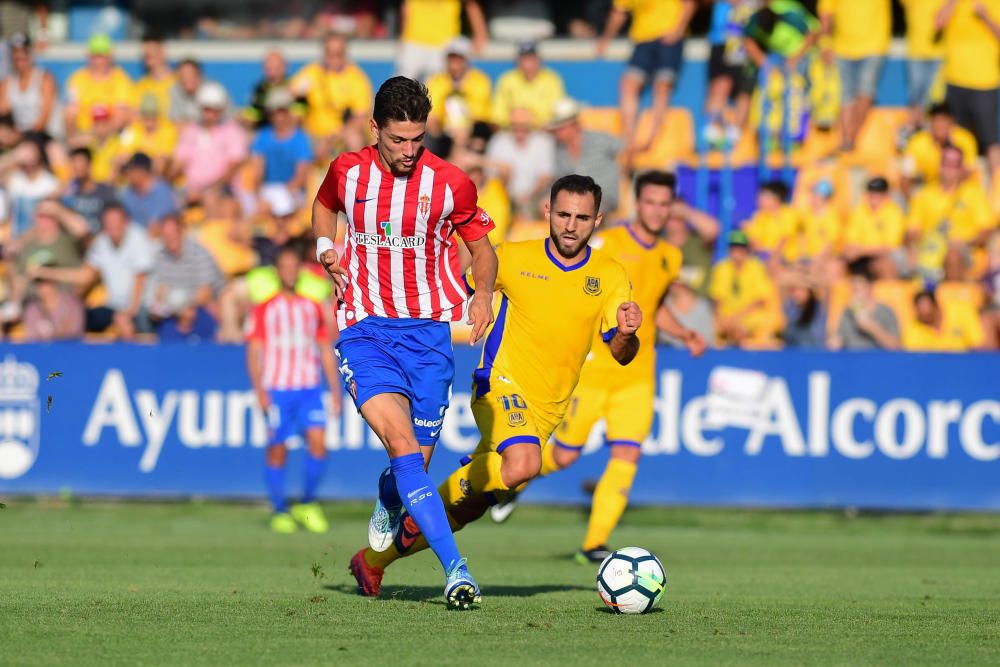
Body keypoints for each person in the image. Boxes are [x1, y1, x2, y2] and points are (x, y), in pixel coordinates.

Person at [349, 174, 641, 594]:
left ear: (598, 220)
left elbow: (620, 353)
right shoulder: (511, 257)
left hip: (548, 409)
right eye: (562, 214)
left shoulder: (611, 275)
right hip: (498, 385)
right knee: (524, 465)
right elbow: (452, 289)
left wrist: (629, 333)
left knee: (470, 504)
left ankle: (373, 561)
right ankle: (436, 497)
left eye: (581, 217)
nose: (570, 225)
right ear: (547, 212)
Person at [311, 76, 498, 609]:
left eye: (417, 139)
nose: (408, 151)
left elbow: (482, 249)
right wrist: (328, 248)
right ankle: (457, 572)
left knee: (411, 465)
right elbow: (324, 208)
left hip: (430, 338)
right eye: (397, 140)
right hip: (364, 328)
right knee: (402, 450)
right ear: (376, 130)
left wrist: (482, 293)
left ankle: (388, 497)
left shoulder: (451, 183)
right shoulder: (347, 172)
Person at [487, 171, 706, 562]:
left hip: (637, 374)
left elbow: (652, 310)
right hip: (592, 370)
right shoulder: (607, 245)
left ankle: (594, 544)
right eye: (650, 202)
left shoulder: (669, 256)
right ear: (637, 203)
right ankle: (513, 484)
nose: (656, 210)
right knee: (567, 455)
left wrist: (686, 334)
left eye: (664, 203)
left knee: (627, 454)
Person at [246, 245, 341, 532]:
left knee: (318, 443)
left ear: (298, 271)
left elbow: (325, 349)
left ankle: (307, 503)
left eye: (293, 266)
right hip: (277, 388)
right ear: (277, 271)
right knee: (277, 449)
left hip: (309, 389)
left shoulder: (311, 307)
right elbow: (254, 352)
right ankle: (279, 509)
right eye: (283, 266)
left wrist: (335, 391)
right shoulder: (265, 309)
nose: (289, 271)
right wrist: (260, 391)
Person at [31, 203, 155, 339]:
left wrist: (129, 312)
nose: (112, 226)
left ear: (125, 222)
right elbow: (85, 275)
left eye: (116, 221)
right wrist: (48, 273)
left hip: (141, 305)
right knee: (83, 319)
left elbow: (140, 280)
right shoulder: (102, 242)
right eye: (108, 222)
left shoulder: (138, 238)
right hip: (113, 306)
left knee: (140, 323)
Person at [597, 0, 697, 161]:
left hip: (669, 38)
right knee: (628, 84)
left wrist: (678, 30)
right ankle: (629, 140)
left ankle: (653, 140)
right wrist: (605, 39)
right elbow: (619, 12)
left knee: (662, 86)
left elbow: (689, 4)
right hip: (642, 39)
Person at [907, 144, 994, 281]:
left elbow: (986, 230)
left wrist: (965, 242)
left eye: (954, 164)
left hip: (965, 251)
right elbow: (913, 230)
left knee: (952, 256)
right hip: (931, 250)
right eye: (946, 162)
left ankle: (952, 299)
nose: (949, 168)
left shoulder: (973, 192)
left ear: (961, 168)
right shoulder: (925, 194)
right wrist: (912, 248)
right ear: (940, 165)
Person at [936, 0, 1000, 172]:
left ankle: (996, 190)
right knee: (955, 140)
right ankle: (955, 187)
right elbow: (937, 24)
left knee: (990, 140)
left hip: (984, 80)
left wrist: (985, 16)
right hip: (954, 79)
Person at [819, 0, 890, 150]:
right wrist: (825, 43)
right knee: (846, 97)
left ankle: (850, 139)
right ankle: (846, 141)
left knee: (865, 93)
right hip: (842, 48)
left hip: (874, 46)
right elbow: (826, 13)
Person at [145, 213, 223, 340]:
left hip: (200, 309)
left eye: (173, 234)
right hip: (172, 312)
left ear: (181, 232)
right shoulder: (159, 257)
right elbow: (159, 292)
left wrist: (184, 306)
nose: (170, 239)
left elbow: (206, 293)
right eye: (166, 235)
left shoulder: (199, 253)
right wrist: (160, 307)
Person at [289, 34, 372, 152]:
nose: (334, 57)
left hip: (342, 135)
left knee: (354, 137)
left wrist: (330, 138)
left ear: (345, 54)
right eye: (330, 53)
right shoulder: (312, 72)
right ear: (324, 54)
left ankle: (356, 168)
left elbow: (360, 118)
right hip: (312, 135)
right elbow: (291, 92)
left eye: (338, 53)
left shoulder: (356, 78)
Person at [171, 82, 248, 203]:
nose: (211, 114)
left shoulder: (233, 131)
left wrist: (205, 190)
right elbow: (179, 162)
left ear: (222, 110)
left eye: (215, 110)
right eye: (207, 109)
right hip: (191, 189)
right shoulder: (190, 131)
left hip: (223, 189)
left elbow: (231, 169)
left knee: (211, 198)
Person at [709, 229, 784, 347]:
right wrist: (720, 317)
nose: (737, 252)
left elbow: (760, 301)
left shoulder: (756, 267)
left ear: (746, 250)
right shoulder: (722, 268)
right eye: (734, 248)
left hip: (748, 315)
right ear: (729, 250)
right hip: (728, 316)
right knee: (711, 326)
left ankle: (745, 343)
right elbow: (717, 298)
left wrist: (735, 317)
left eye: (741, 248)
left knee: (761, 323)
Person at [548, 97, 622, 214]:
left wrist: (624, 174)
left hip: (603, 198)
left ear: (574, 125)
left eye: (560, 128)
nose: (556, 133)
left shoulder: (600, 139)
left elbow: (627, 150)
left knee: (585, 212)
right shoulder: (559, 152)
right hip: (574, 202)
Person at [250, 87, 312, 216]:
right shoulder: (262, 137)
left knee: (283, 206)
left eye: (282, 111)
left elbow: (301, 177)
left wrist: (283, 193)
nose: (279, 116)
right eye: (274, 112)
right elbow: (257, 174)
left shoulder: (301, 139)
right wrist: (259, 196)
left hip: (292, 191)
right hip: (268, 190)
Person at [485, 107, 553, 221]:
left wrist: (528, 197)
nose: (520, 133)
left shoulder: (543, 142)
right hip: (504, 196)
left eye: (524, 128)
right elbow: (491, 175)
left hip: (536, 197)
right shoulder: (498, 141)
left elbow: (545, 176)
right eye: (515, 128)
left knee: (546, 205)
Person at [396, 0, 488, 81]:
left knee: (437, 88)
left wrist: (480, 35)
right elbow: (406, 8)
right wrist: (403, 37)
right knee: (399, 87)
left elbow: (470, 4)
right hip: (413, 41)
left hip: (443, 45)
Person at [900, 103, 977, 196]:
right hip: (930, 193)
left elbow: (968, 173)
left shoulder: (965, 140)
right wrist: (915, 205)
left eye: (944, 121)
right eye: (936, 121)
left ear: (952, 122)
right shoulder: (916, 142)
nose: (940, 125)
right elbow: (905, 176)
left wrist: (950, 151)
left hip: (958, 193)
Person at [63, 34, 132, 136]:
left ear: (110, 57)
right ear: (88, 57)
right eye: (95, 56)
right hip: (84, 133)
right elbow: (70, 110)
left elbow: (122, 114)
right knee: (69, 111)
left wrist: (101, 134)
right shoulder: (77, 79)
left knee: (124, 113)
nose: (99, 60)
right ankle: (74, 145)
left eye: (103, 56)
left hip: (112, 135)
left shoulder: (121, 79)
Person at [425, 37, 492, 140]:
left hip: (472, 131)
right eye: (451, 58)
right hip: (443, 132)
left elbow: (479, 116)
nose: (454, 62)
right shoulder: (436, 81)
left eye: (458, 58)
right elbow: (433, 114)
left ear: (466, 59)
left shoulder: (480, 80)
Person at [828, 257, 900, 350]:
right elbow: (837, 343)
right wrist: (833, 340)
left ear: (870, 288)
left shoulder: (886, 311)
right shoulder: (847, 312)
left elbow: (895, 346)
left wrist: (871, 327)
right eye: (853, 290)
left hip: (879, 362)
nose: (855, 294)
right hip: (853, 362)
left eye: (858, 289)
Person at [491, 42, 566, 129]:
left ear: (538, 60)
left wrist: (531, 120)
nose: (527, 62)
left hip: (543, 131)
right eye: (524, 58)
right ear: (517, 61)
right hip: (512, 131)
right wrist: (516, 120)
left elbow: (557, 112)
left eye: (531, 58)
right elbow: (498, 115)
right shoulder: (507, 79)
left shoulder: (551, 79)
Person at [0, 33, 60, 138]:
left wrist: (21, 136)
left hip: (42, 135)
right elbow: (4, 112)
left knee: (27, 151)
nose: (19, 56)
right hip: (18, 135)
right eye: (15, 52)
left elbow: (44, 118)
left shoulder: (44, 79)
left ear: (30, 54)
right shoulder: (7, 82)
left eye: (23, 52)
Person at [0, 138, 59, 241]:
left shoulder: (50, 183)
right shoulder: (16, 178)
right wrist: (15, 156)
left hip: (38, 241)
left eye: (31, 151)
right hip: (13, 239)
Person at [901, 0, 944, 133]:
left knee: (935, 100)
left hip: (941, 52)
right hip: (916, 51)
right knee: (916, 97)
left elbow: (940, 22)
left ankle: (928, 131)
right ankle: (913, 130)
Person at [842, 176, 906, 262]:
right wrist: (855, 250)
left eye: (878, 193)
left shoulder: (894, 212)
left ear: (886, 195)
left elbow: (890, 246)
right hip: (862, 256)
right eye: (871, 192)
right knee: (836, 265)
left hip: (883, 257)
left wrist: (862, 251)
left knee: (883, 265)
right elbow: (851, 239)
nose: (874, 195)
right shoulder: (860, 210)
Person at [902, 287, 985, 351]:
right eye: (920, 313)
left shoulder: (960, 311)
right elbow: (913, 356)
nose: (924, 315)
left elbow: (977, 344)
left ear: (936, 306)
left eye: (928, 314)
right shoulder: (913, 328)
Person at [118, 93, 178, 177]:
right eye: (146, 118)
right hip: (136, 169)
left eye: (153, 118)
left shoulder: (168, 131)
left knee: (159, 162)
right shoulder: (131, 130)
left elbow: (165, 157)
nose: (149, 123)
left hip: (157, 173)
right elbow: (123, 154)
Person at [62, 146, 117, 233]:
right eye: (74, 162)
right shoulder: (70, 192)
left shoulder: (105, 191)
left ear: (89, 164)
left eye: (80, 162)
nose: (77, 166)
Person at [121, 153, 178, 231]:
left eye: (131, 169)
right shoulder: (129, 193)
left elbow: (166, 222)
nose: (128, 173)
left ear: (142, 171)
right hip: (137, 237)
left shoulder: (162, 190)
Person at [22, 273, 85, 341]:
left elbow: (74, 331)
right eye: (39, 283)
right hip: (41, 350)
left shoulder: (71, 303)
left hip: (69, 348)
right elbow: (31, 336)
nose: (42, 287)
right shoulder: (32, 309)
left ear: (54, 283)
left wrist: (59, 333)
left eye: (46, 282)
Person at [133, 32, 175, 121]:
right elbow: (134, 116)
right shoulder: (140, 86)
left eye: (153, 52)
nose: (148, 53)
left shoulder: (178, 83)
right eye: (146, 54)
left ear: (163, 51)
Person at [245, 50, 292, 129]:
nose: (272, 70)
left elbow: (300, 113)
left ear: (285, 66)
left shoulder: (293, 85)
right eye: (268, 66)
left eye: (275, 66)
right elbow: (253, 113)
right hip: (265, 131)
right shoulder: (260, 88)